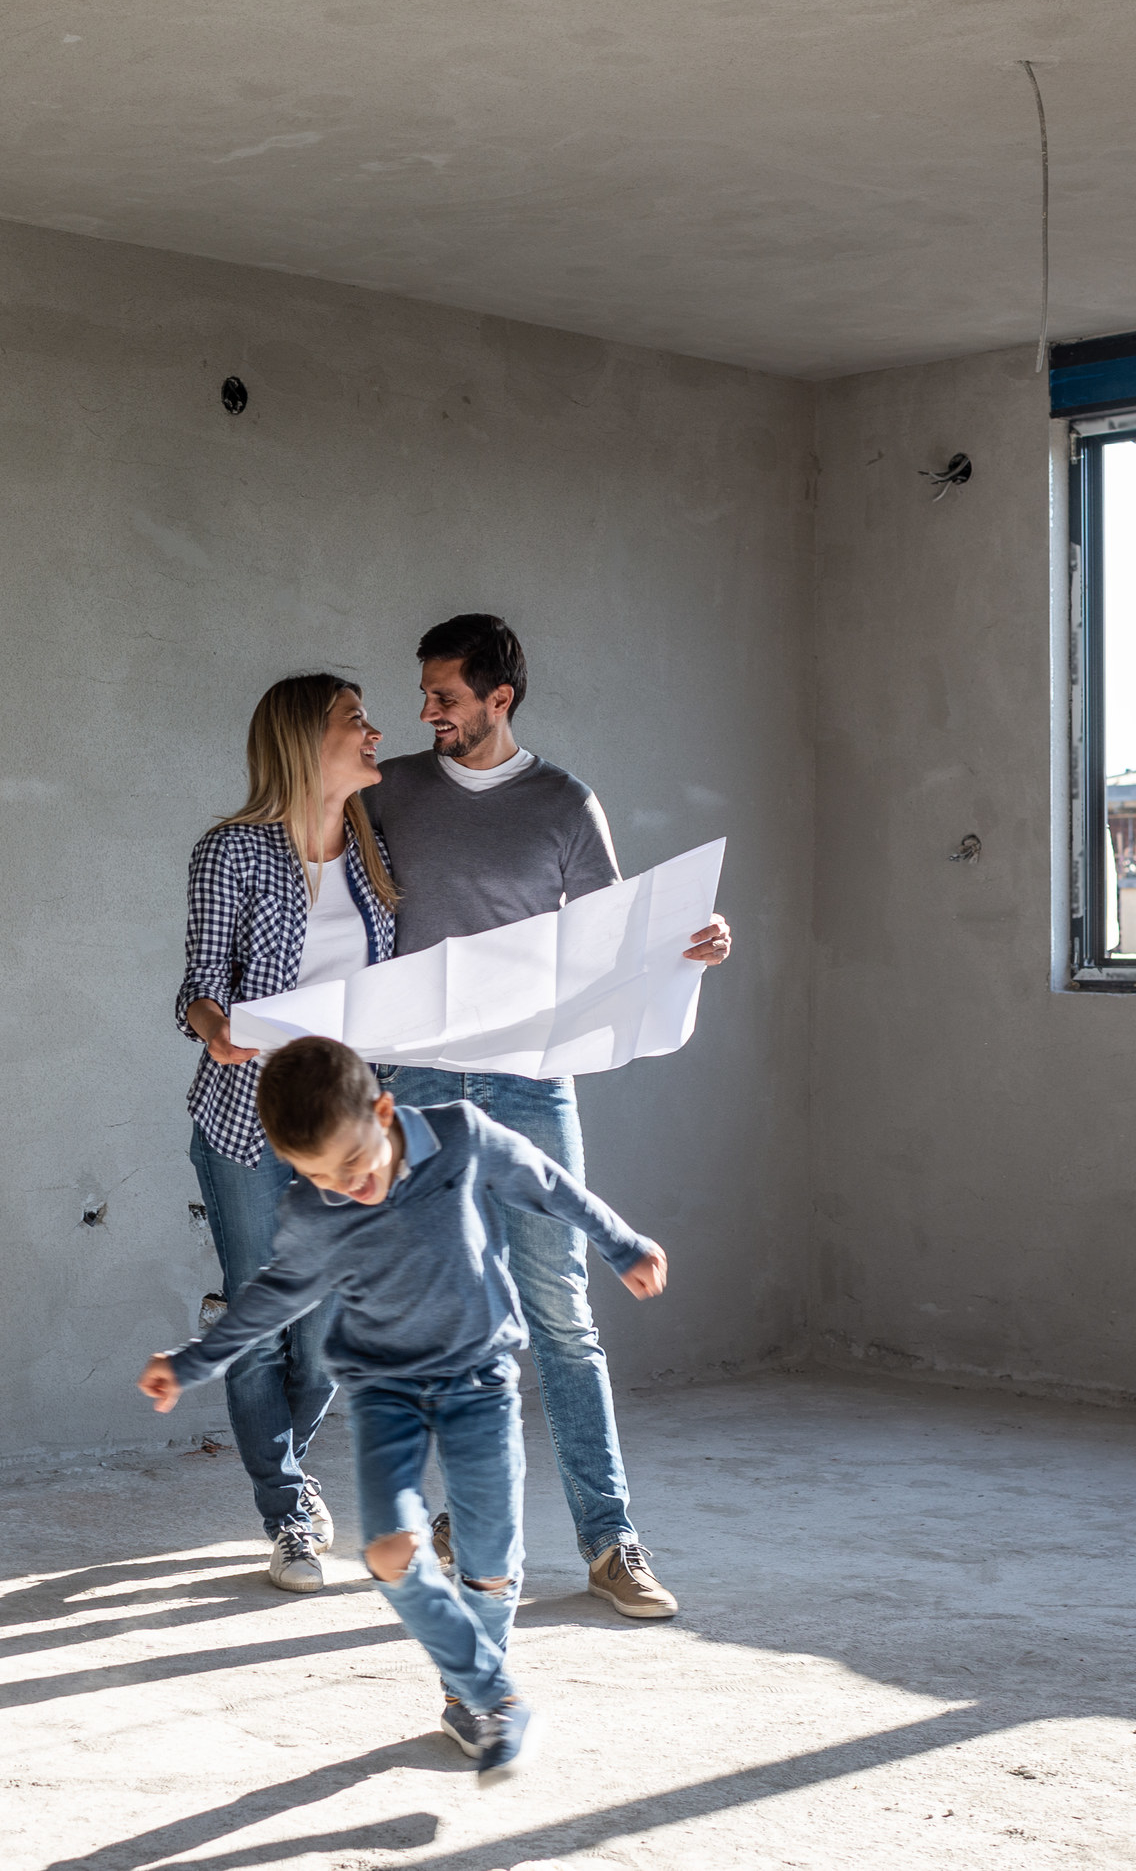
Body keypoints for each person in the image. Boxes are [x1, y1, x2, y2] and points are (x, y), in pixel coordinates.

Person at [138, 1036, 667, 1781]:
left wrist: (623, 1244)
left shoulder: (460, 1135)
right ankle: (494, 1698)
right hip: (386, 1394)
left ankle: (471, 1696)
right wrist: (188, 1364)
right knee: (389, 1552)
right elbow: (267, 1302)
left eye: (355, 1165)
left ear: (384, 1110)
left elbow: (548, 1183)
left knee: (488, 1564)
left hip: (479, 1383)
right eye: (322, 1177)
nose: (347, 1187)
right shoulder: (315, 1207)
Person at [363, 613, 729, 1622]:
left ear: (499, 699)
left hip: (530, 1081)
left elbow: (613, 938)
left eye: (444, 695)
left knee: (560, 1313)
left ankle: (610, 1539)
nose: (427, 710)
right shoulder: (389, 790)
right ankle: (454, 1516)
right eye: (425, 694)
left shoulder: (564, 803)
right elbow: (319, 886)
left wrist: (685, 947)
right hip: (418, 1082)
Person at [174, 672, 399, 1590]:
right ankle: (288, 1509)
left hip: (345, 1125)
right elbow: (196, 982)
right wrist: (214, 1027)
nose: (375, 729)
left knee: (326, 1329)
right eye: (356, 719)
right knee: (265, 1318)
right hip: (247, 1119)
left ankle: (278, 1452)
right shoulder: (231, 852)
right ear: (308, 740)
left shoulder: (379, 851)